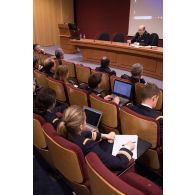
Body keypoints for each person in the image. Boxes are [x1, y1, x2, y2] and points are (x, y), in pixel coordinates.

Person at [57, 105, 135, 171]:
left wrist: (105, 136)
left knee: (107, 141)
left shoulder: (67, 132)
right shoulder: (87, 144)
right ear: (81, 127)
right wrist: (127, 147)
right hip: (102, 170)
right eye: (85, 120)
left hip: (76, 166)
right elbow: (119, 163)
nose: (86, 122)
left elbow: (86, 134)